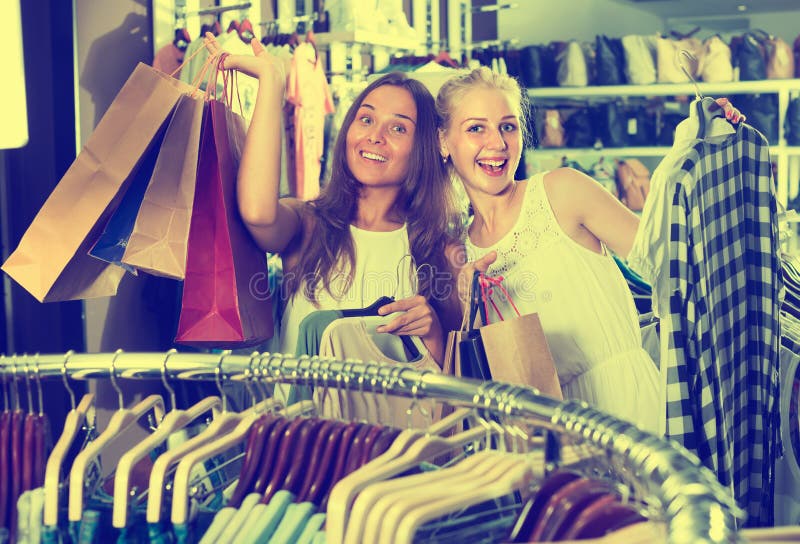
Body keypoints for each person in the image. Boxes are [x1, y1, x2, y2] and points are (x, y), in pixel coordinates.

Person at [437, 66, 743, 433]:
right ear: (443, 141)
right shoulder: (459, 253)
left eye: (508, 126)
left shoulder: (562, 191)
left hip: (625, 410)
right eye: (476, 128)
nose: (498, 143)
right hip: (546, 433)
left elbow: (670, 257)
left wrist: (704, 146)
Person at [202, 35, 463, 369]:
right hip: (303, 422)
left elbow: (456, 389)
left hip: (396, 422)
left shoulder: (442, 252)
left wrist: (435, 335)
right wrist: (272, 83)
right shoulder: (310, 224)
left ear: (424, 147)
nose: (375, 136)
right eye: (366, 119)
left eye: (398, 128)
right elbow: (257, 213)